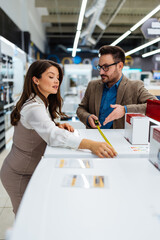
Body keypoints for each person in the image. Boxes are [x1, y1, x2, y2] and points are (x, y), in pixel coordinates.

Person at [0, 60, 116, 215]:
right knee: (25, 218)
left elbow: (44, 127)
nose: (57, 81)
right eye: (51, 76)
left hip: (29, 169)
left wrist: (56, 125)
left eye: (58, 77)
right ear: (36, 80)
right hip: (19, 174)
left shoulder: (41, 101)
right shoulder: (34, 106)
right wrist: (91, 145)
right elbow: (52, 136)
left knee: (35, 212)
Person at [76, 45, 157, 129]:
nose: (101, 72)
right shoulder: (92, 86)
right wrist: (87, 117)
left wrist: (125, 110)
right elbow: (81, 109)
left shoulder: (135, 87)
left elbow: (156, 107)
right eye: (100, 67)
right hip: (94, 138)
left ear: (120, 66)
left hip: (119, 140)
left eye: (106, 67)